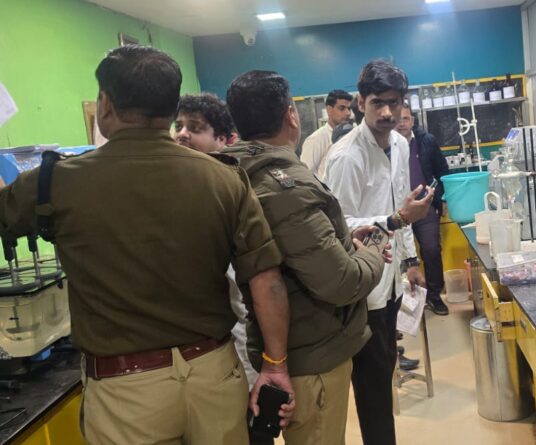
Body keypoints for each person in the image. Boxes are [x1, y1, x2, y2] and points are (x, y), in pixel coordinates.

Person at [0, 45, 294, 444]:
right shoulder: (224, 178)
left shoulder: (56, 182)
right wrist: (275, 365)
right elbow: (266, 280)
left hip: (126, 390)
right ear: (172, 110)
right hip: (214, 375)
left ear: (106, 104)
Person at [223, 70, 388, 445]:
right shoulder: (284, 186)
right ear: (291, 115)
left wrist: (343, 239)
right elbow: (341, 281)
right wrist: (373, 252)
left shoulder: (234, 173)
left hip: (275, 349)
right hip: (310, 356)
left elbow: (299, 247)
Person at [324, 59, 434, 445]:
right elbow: (338, 226)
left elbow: (402, 202)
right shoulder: (346, 157)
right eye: (377, 103)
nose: (387, 112)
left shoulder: (401, 145)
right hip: (362, 288)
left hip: (392, 282)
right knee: (371, 387)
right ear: (360, 103)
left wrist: (411, 260)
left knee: (385, 370)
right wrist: (395, 219)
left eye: (394, 102)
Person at [173, 92, 258, 386]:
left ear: (224, 139)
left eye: (195, 128)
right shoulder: (175, 186)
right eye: (179, 126)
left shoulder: (235, 190)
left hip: (238, 341)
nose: (182, 134)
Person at [395, 103, 450, 315]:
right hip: (398, 211)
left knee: (431, 249)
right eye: (398, 119)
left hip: (424, 208)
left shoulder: (426, 141)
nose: (401, 123)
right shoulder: (387, 144)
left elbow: (442, 171)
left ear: (413, 120)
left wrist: (440, 198)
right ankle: (404, 302)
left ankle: (435, 296)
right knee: (398, 256)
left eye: (406, 118)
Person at [300, 89, 352, 175]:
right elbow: (305, 175)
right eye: (342, 108)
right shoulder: (315, 139)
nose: (348, 113)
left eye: (349, 108)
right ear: (329, 110)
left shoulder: (352, 136)